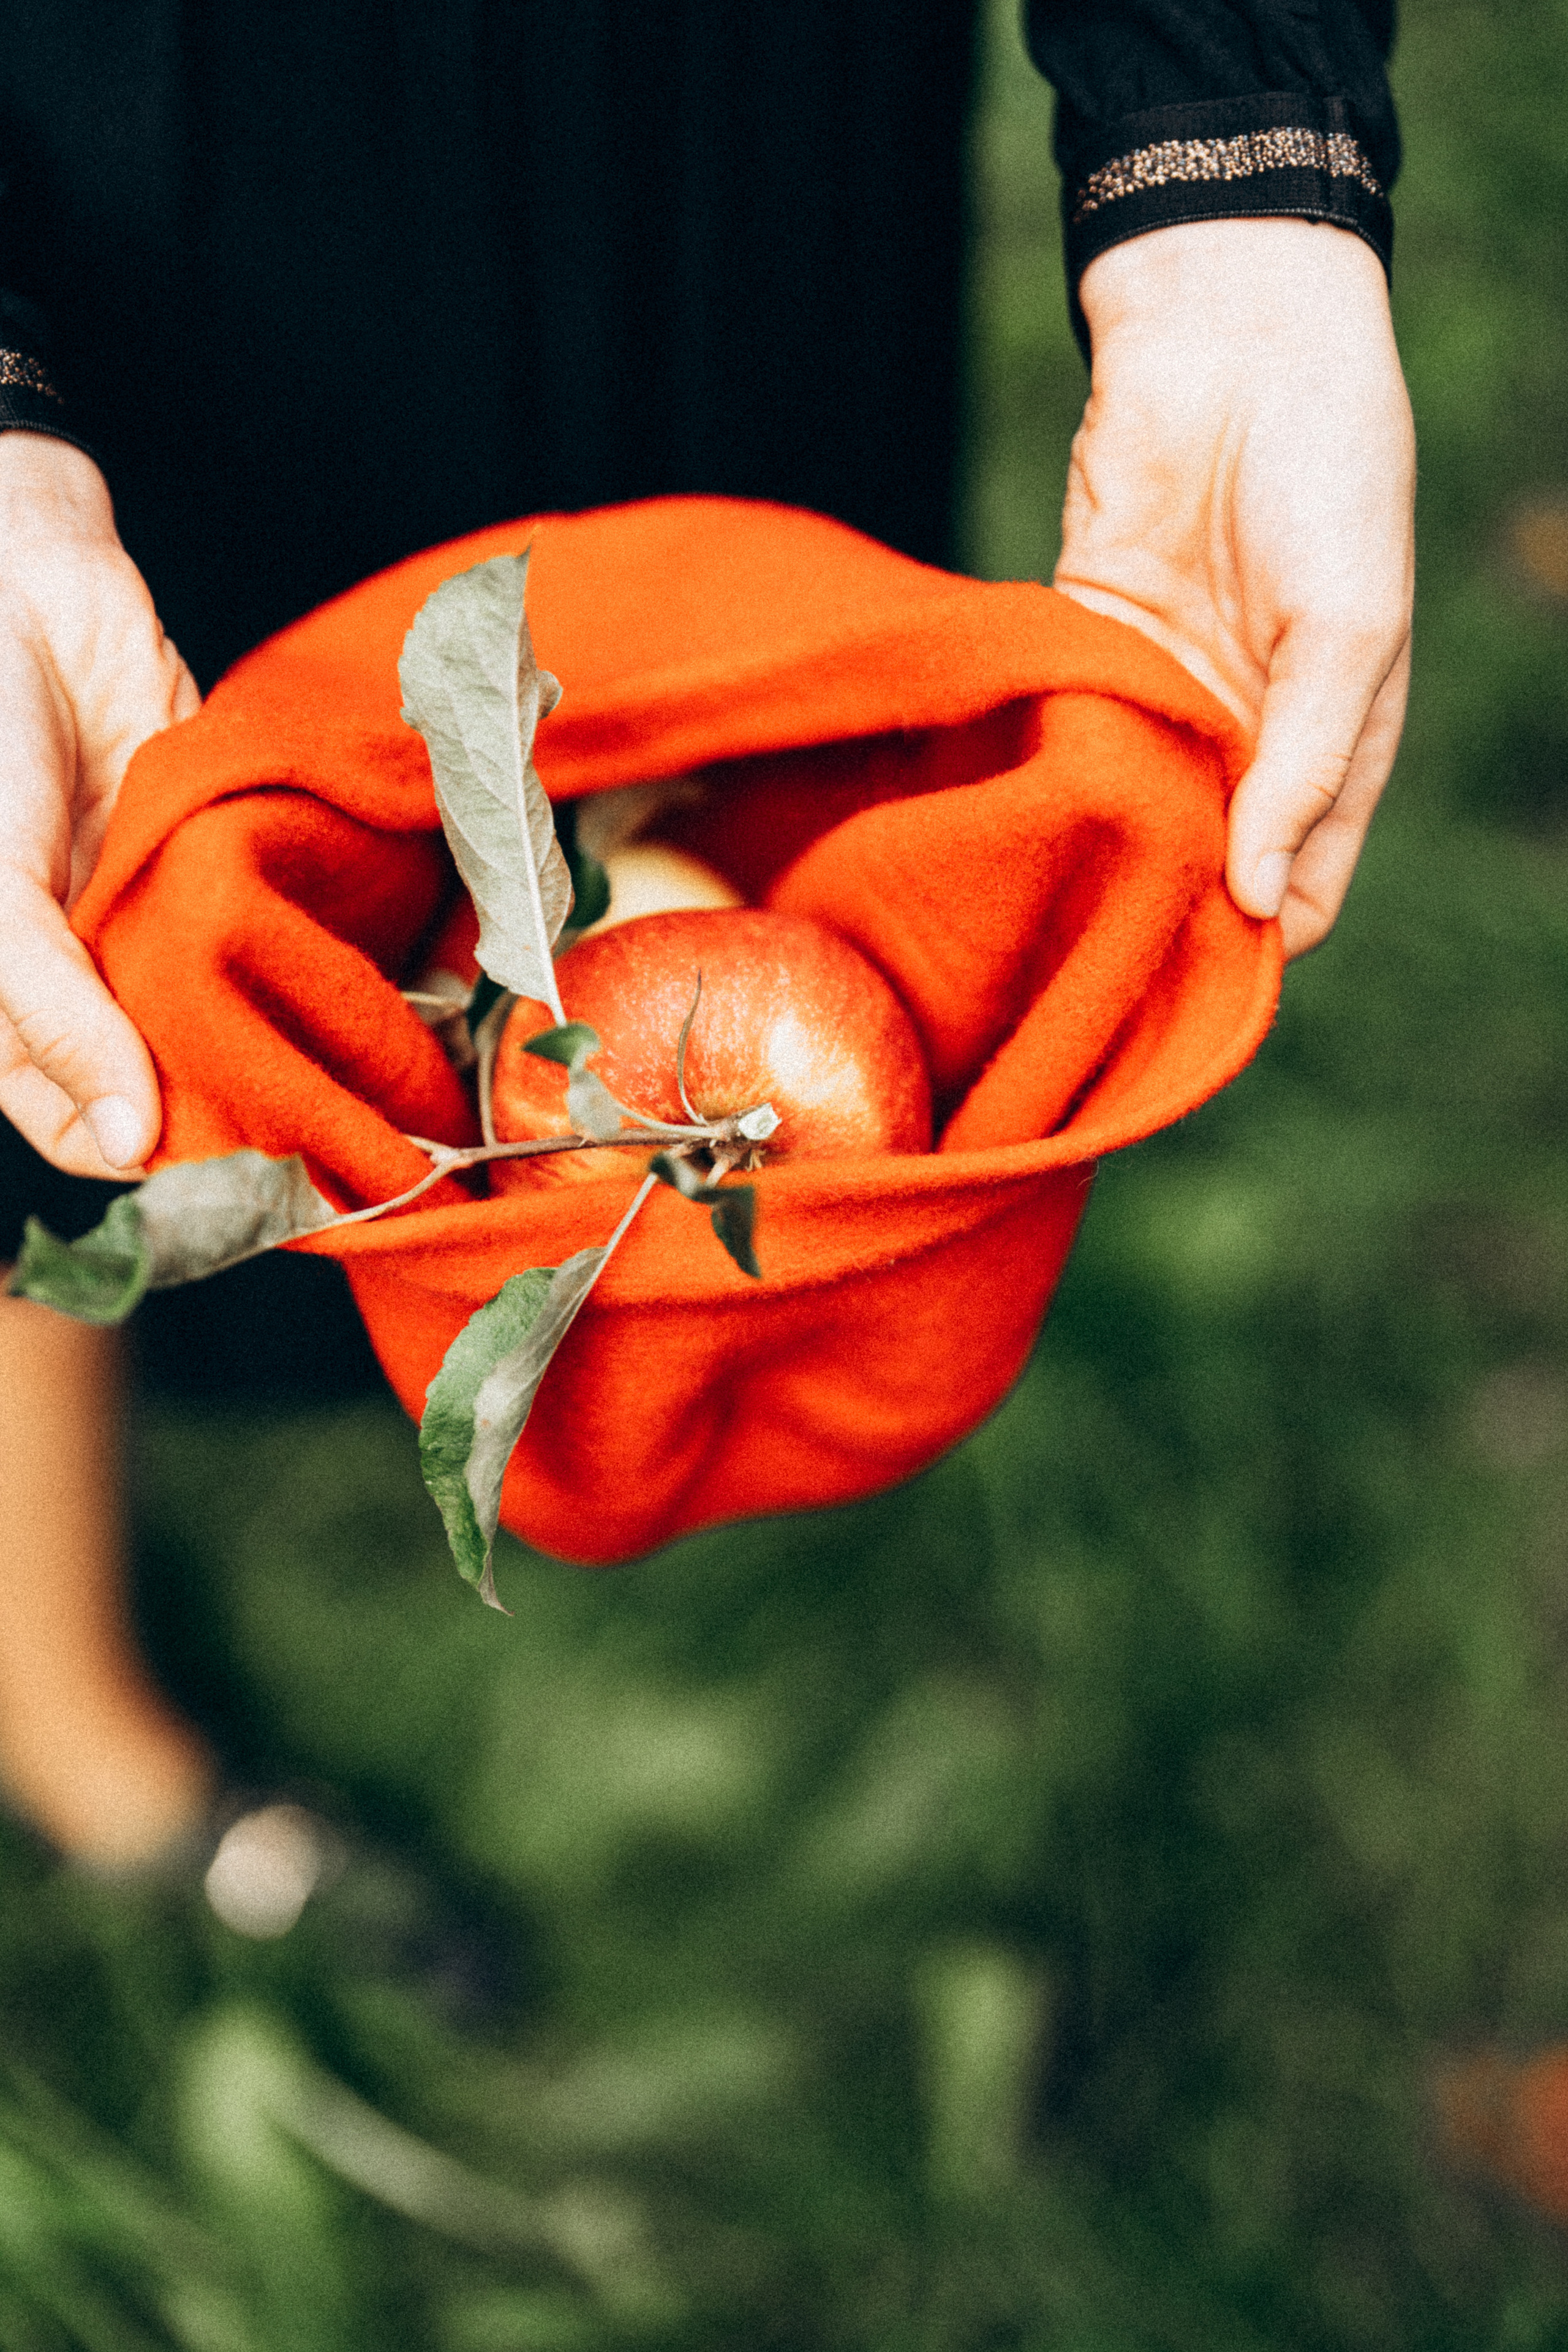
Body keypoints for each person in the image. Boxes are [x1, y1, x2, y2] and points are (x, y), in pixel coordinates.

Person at [0, 0, 1414, 1871]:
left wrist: (1230, 158)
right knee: (78, 880)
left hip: (721, 81)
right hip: (124, 123)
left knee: (742, 644)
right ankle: (66, 1705)